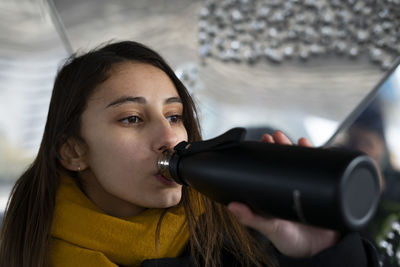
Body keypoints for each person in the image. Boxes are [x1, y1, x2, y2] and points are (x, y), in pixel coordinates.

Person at [0, 41, 379, 267]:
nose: (169, 137)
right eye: (132, 118)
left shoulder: (244, 238)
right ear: (73, 151)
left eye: (175, 115)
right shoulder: (24, 252)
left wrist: (321, 253)